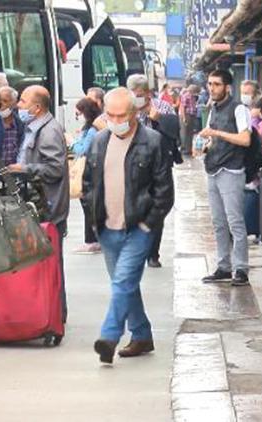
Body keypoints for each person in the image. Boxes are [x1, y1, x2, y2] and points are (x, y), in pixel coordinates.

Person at [84, 87, 174, 364]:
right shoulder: (99, 141)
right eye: (109, 114)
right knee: (125, 284)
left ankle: (108, 337)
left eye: (120, 115)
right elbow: (88, 183)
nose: (114, 120)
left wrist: (149, 224)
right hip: (108, 227)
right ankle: (142, 335)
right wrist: (93, 215)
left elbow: (164, 191)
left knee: (122, 282)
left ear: (134, 114)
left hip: (139, 227)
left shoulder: (153, 142)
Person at [5, 85, 70, 321]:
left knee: (52, 263)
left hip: (48, 207)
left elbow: (54, 169)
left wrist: (25, 169)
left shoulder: (49, 131)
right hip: (39, 203)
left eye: (22, 102)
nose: (18, 106)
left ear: (37, 107)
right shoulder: (34, 128)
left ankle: (56, 314)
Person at [198, 69, 251, 287]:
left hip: (231, 170)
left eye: (217, 84)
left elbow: (245, 139)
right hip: (213, 168)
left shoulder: (239, 109)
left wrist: (217, 134)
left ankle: (241, 269)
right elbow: (212, 137)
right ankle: (223, 266)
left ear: (227, 87)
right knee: (218, 222)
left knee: (235, 222)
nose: (212, 88)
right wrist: (205, 146)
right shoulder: (213, 109)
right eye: (210, 84)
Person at [127, 74, 180, 268]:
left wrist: (158, 120)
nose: (136, 98)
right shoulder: (127, 109)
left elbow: (174, 132)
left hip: (159, 165)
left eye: (139, 94)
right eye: (133, 94)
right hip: (134, 165)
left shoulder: (163, 107)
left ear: (148, 94)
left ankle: (153, 253)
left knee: (157, 207)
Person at [71, 97, 102, 254]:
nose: (78, 116)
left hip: (89, 172)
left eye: (79, 113)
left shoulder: (92, 130)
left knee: (88, 206)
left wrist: (72, 142)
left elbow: (82, 150)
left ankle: (92, 240)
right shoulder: (90, 128)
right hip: (92, 171)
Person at [0, 86, 23, 166]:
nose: (0, 104)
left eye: (5, 101)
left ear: (14, 103)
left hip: (14, 172)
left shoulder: (20, 124)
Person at [179, 84, 199, 156]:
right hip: (186, 115)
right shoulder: (186, 95)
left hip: (191, 116)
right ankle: (184, 149)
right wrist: (184, 118)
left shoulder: (192, 96)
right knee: (185, 133)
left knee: (190, 133)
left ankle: (188, 149)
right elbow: (182, 107)